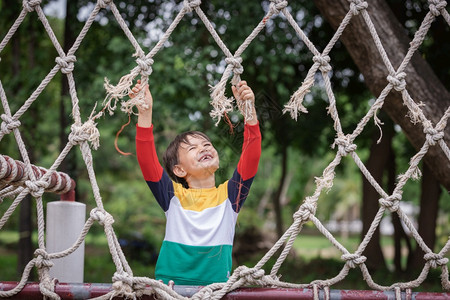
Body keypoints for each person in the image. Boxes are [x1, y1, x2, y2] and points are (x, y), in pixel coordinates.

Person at [133, 79, 261, 286]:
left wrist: (249, 111)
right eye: (192, 148)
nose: (204, 148)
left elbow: (252, 156)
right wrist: (145, 113)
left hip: (216, 288)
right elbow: (147, 160)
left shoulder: (230, 195)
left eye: (207, 144)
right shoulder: (173, 196)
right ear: (179, 170)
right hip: (170, 287)